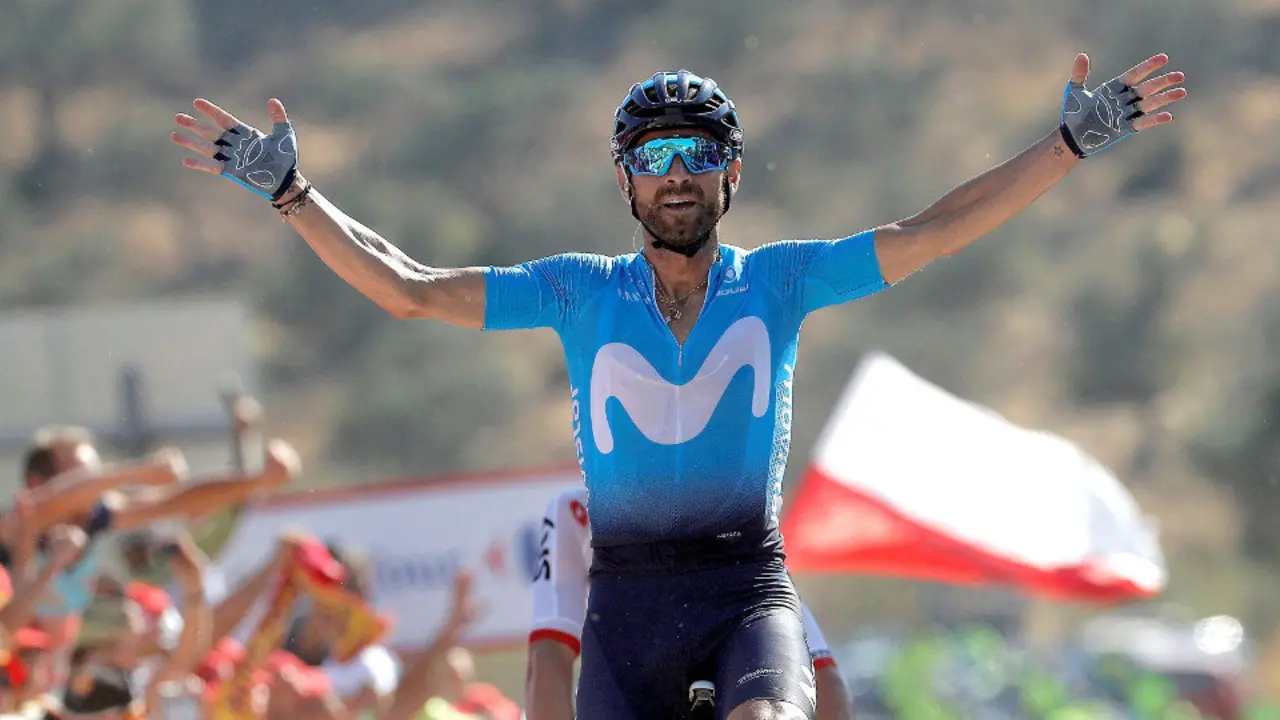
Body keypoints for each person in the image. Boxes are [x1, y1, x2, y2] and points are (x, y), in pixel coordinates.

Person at [170, 53, 1187, 720]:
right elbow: (411, 291)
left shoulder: (780, 281)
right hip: (624, 604)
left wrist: (1064, 147)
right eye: (652, 157)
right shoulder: (576, 293)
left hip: (746, 586)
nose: (675, 175)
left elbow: (924, 235)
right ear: (624, 181)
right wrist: (294, 197)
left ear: (729, 176)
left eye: (697, 156)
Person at [526, 487, 853, 720]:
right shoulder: (574, 512)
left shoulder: (729, 503)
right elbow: (549, 657)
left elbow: (827, 684)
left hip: (738, 629)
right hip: (633, 662)